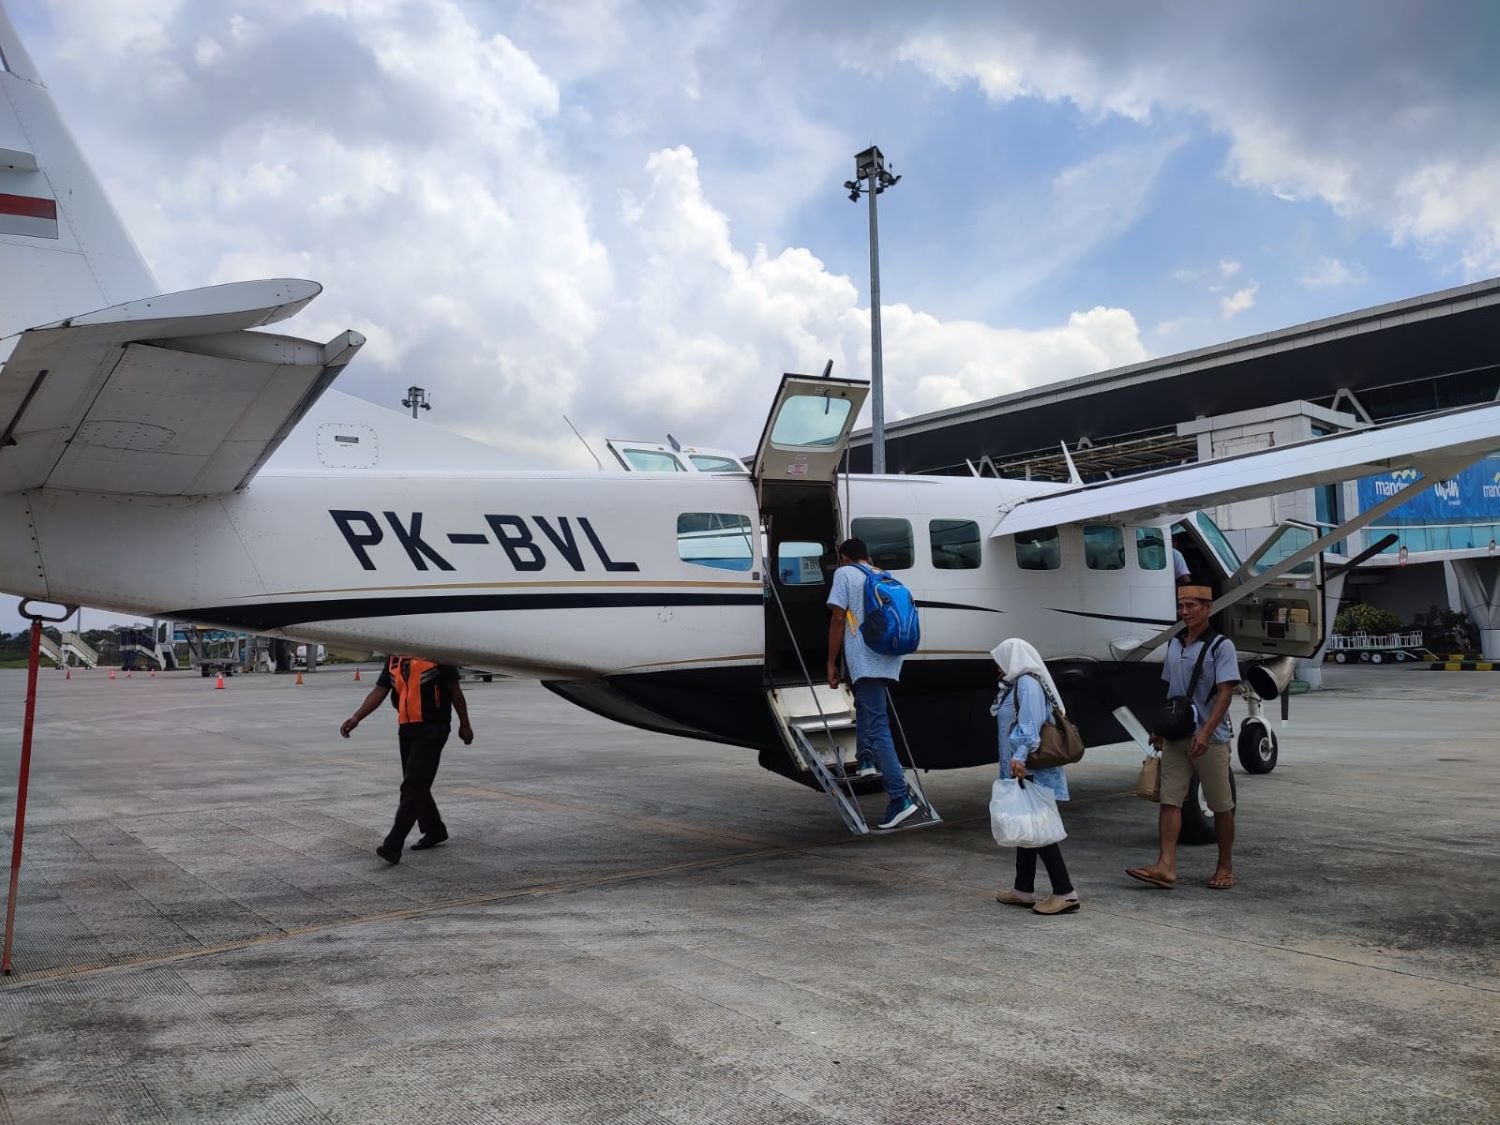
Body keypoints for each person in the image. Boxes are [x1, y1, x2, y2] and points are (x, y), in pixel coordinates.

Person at [1128, 585, 1240, 891]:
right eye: (1181, 606)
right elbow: (1171, 692)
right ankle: (1165, 866)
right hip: (1178, 736)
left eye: (1191, 605)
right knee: (1169, 800)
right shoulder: (1175, 645)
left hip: (1210, 738)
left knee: (1220, 805)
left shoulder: (1221, 646)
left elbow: (1225, 693)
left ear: (1208, 607)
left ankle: (1225, 865)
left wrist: (1205, 732)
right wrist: (1160, 728)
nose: (1185, 611)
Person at [341, 654, 474, 864]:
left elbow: (455, 691)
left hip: (434, 727)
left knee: (413, 786)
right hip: (407, 728)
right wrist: (357, 717)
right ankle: (434, 829)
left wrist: (464, 724)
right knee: (416, 784)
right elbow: (380, 690)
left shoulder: (437, 655)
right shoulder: (394, 659)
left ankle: (393, 844)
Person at [826, 537, 918, 830]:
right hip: (889, 656)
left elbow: (839, 619)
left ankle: (899, 797)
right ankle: (866, 759)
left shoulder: (844, 574)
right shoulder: (882, 574)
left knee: (878, 724)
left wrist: (831, 662)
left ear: (844, 557)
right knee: (866, 707)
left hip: (865, 659)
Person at [990, 638, 1080, 916]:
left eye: (999, 659)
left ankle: (1065, 892)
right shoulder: (1015, 684)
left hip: (1030, 766)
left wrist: (1019, 758)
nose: (997, 665)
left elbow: (1030, 724)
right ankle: (1023, 889)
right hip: (1021, 764)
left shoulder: (1028, 683)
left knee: (1039, 829)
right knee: (1025, 822)